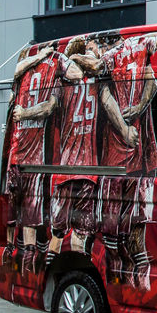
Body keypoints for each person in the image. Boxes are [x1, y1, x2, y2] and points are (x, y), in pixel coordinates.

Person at [44, 36, 135, 265]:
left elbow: (50, 107)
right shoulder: (96, 80)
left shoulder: (61, 81)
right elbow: (108, 105)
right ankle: (76, 267)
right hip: (87, 169)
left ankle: (53, 272)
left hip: (65, 169)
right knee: (79, 233)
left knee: (58, 232)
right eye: (89, 49)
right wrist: (125, 131)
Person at [97, 31, 157, 290]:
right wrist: (135, 114)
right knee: (128, 222)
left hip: (128, 156)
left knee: (125, 222)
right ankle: (131, 282)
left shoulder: (114, 58)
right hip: (126, 158)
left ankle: (132, 281)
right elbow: (152, 79)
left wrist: (135, 114)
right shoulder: (135, 55)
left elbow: (108, 98)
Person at [3, 42, 68, 274]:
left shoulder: (49, 76)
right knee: (19, 220)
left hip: (31, 160)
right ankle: (21, 270)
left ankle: (26, 272)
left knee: (27, 223)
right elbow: (18, 68)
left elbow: (50, 107)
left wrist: (24, 113)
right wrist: (41, 55)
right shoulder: (31, 73)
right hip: (23, 161)